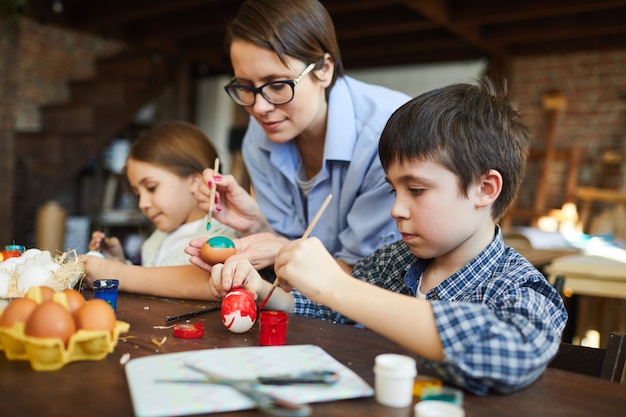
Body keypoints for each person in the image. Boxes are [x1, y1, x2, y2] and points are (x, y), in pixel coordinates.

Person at [206, 78, 568, 395]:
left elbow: (509, 352)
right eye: (394, 191)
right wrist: (268, 295)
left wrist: (339, 286)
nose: (396, 209)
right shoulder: (393, 261)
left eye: (417, 189)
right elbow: (332, 311)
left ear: (484, 189)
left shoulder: (519, 287)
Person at [186, 0, 410, 274]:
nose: (259, 108)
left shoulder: (387, 136)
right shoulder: (259, 137)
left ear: (324, 70)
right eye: (245, 87)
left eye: (278, 85)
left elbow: (363, 274)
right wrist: (256, 225)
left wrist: (280, 253)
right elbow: (289, 246)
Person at [79, 121, 236, 298]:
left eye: (151, 187)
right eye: (138, 194)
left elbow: (212, 283)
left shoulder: (222, 238)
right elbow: (154, 284)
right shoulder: (155, 241)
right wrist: (120, 263)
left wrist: (119, 273)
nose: (142, 203)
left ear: (195, 181)